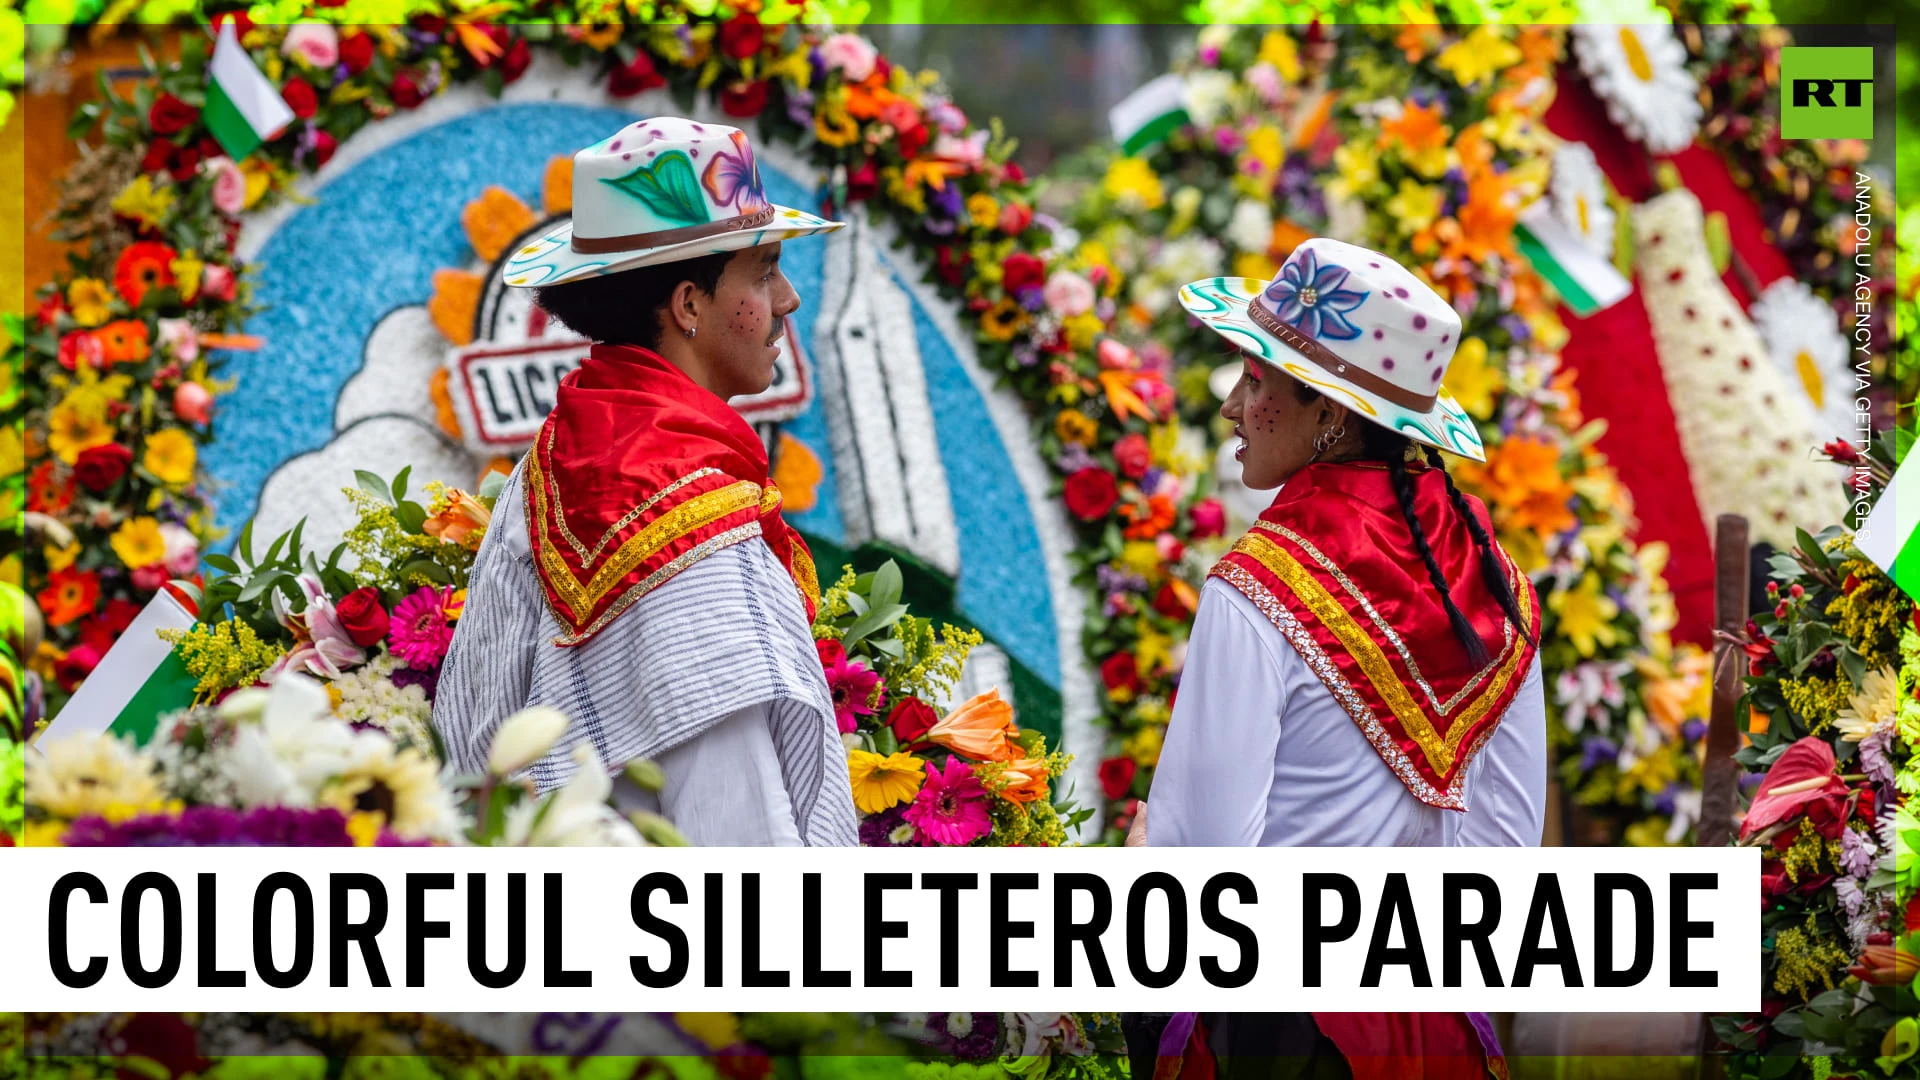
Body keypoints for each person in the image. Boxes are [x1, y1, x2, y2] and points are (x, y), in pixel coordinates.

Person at [1125, 239, 1547, 1079]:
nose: (1232, 408)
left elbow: (1205, 864)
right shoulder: (1500, 593)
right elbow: (1505, 862)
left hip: (1284, 1035)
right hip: (1432, 1027)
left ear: (1330, 414)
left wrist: (1143, 852)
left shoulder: (1258, 586)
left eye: (1255, 381)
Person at [434, 117, 857, 847]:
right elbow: (735, 821)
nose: (786, 299)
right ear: (689, 304)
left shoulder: (552, 462)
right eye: (763, 272)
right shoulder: (693, 520)